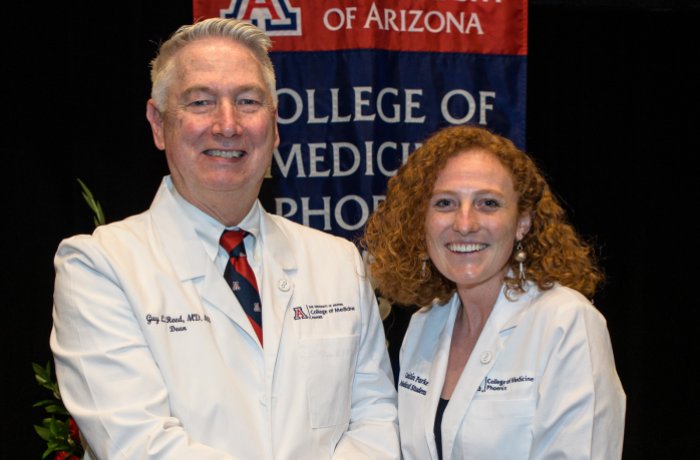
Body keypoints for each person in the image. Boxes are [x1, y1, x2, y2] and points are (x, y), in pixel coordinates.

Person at [51, 18, 399, 459]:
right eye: (201, 102)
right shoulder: (100, 267)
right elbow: (138, 444)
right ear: (159, 124)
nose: (228, 124)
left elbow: (375, 418)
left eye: (248, 101)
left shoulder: (337, 263)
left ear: (273, 125)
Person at [362, 125, 625, 459]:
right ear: (422, 220)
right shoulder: (424, 326)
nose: (465, 223)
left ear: (522, 222)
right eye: (445, 203)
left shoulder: (566, 323)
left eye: (488, 203)